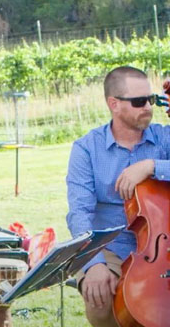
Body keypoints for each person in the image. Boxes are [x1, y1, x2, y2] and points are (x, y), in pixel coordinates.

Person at [66, 65, 170, 327]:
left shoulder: (163, 138)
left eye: (151, 99)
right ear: (114, 104)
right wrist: (94, 263)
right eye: (138, 102)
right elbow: (79, 214)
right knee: (100, 300)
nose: (147, 106)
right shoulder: (86, 149)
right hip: (110, 245)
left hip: (162, 244)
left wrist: (151, 166)